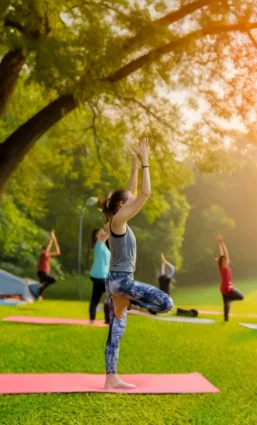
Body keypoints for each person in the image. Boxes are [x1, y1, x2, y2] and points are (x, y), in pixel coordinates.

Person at [103, 138, 174, 390]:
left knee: (116, 332)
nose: (133, 202)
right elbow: (145, 193)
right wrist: (146, 164)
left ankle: (111, 380)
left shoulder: (117, 220)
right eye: (128, 201)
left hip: (114, 283)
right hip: (123, 282)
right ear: (122, 206)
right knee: (166, 303)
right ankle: (135, 303)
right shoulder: (118, 221)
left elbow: (130, 193)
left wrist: (133, 167)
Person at [215, 235, 244, 321]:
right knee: (241, 296)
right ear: (222, 262)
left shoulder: (221, 267)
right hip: (227, 287)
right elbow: (225, 253)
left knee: (226, 303)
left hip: (224, 288)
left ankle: (226, 319)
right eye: (224, 260)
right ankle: (229, 299)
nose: (226, 260)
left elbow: (222, 254)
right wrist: (222, 243)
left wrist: (220, 243)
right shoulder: (224, 267)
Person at [89, 227, 110, 323]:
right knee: (111, 295)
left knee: (96, 299)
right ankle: (107, 320)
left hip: (101, 276)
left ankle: (92, 320)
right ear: (97, 236)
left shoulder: (103, 245)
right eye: (101, 231)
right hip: (99, 276)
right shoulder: (99, 242)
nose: (103, 231)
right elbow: (109, 232)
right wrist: (113, 220)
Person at [35, 230, 61, 300]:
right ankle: (40, 290)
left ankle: (39, 296)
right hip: (42, 272)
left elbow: (58, 252)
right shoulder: (43, 254)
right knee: (52, 280)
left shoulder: (47, 254)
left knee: (43, 285)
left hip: (43, 272)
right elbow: (49, 247)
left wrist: (54, 240)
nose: (47, 250)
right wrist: (53, 238)